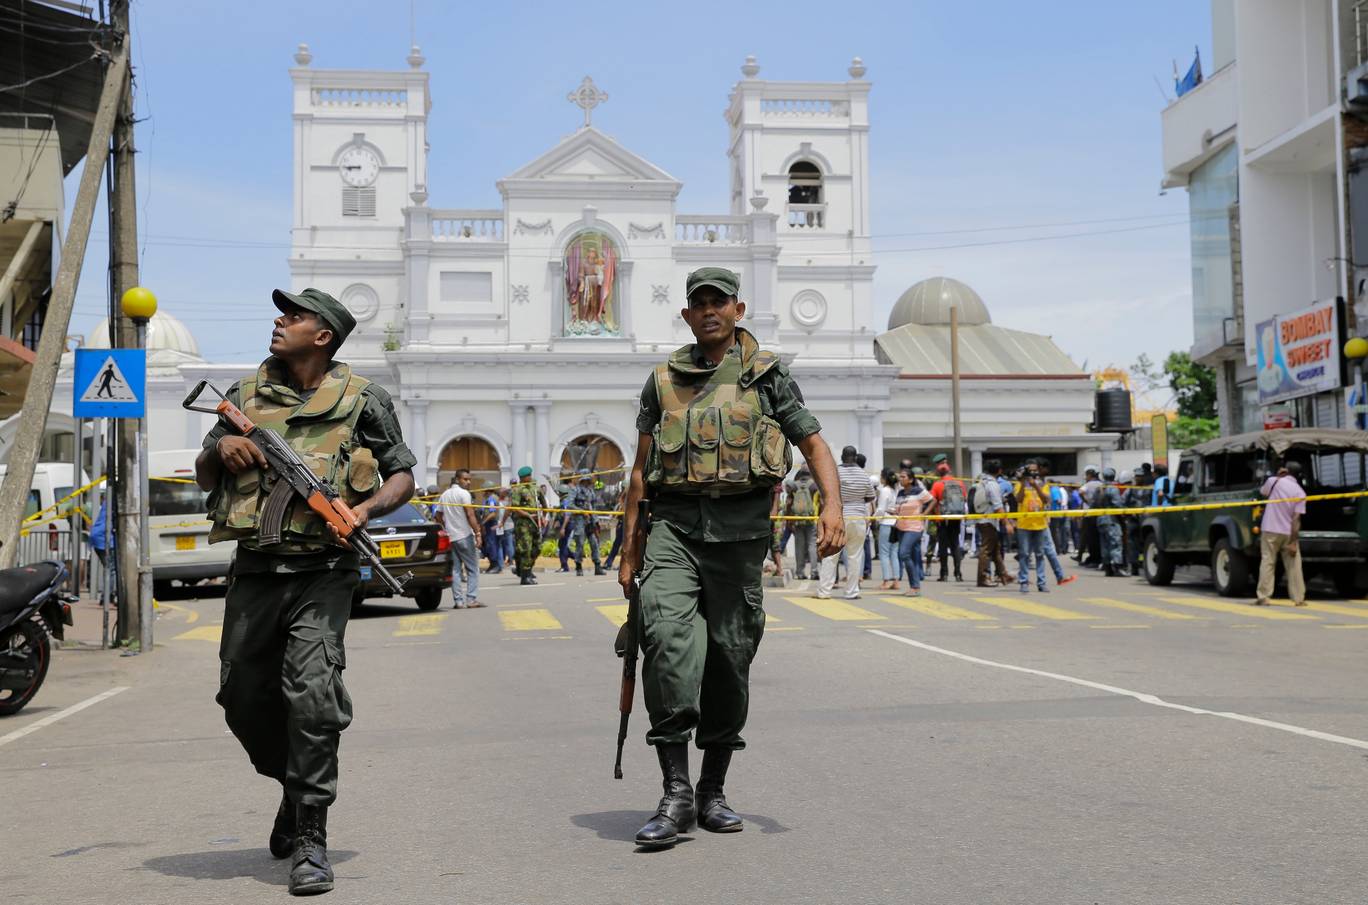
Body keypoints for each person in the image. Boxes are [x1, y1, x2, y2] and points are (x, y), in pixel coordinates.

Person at [195, 287, 416, 895]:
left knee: (311, 694)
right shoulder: (241, 396)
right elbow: (204, 471)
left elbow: (403, 471)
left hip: (324, 570)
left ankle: (311, 835)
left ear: (323, 336)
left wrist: (365, 509)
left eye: (293, 316)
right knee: (241, 696)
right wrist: (223, 447)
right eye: (281, 313)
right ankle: (293, 787)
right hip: (256, 568)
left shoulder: (364, 398)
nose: (279, 321)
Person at [618, 266, 844, 848]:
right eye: (700, 304)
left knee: (729, 659)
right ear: (688, 315)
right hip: (672, 531)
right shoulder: (662, 381)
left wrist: (832, 509)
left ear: (738, 310)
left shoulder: (767, 376)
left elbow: (813, 443)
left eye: (720, 302)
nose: (710, 311)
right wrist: (628, 552)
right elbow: (640, 473)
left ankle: (713, 790)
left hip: (741, 537)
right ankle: (675, 792)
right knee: (666, 644)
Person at [817, 446, 875, 600]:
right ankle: (852, 592)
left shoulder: (835, 473)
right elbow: (870, 497)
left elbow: (826, 494)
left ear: (842, 457)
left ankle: (824, 591)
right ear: (856, 458)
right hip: (858, 519)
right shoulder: (864, 474)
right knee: (855, 556)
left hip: (838, 517)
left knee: (831, 555)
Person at [1256, 461, 1306, 607]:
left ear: (1285, 470)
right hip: (1288, 532)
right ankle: (1298, 598)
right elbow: (1296, 519)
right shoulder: (1300, 492)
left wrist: (1278, 476)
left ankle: (1264, 597)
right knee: (1294, 564)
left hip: (1270, 529)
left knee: (1268, 561)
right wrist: (1293, 542)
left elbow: (1263, 492)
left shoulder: (1273, 481)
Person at [439, 470, 484, 606]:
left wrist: (445, 527)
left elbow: (437, 515)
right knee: (473, 568)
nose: (468, 482)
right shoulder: (464, 494)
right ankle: (471, 599)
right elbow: (470, 514)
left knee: (456, 570)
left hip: (451, 537)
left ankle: (458, 601)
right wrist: (478, 533)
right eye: (465, 479)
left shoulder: (445, 495)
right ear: (457, 479)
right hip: (464, 535)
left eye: (469, 479)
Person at [894, 469, 934, 596]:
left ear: (910, 479)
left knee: (903, 554)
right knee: (910, 556)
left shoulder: (918, 491)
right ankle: (914, 586)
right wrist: (892, 511)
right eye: (900, 477)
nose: (900, 479)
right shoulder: (900, 492)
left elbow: (933, 501)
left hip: (914, 528)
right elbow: (897, 508)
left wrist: (924, 514)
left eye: (903, 477)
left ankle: (915, 586)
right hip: (901, 527)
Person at [928, 454, 968, 582]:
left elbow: (932, 500)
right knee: (955, 545)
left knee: (943, 546)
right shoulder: (960, 483)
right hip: (956, 518)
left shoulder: (937, 484)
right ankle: (958, 573)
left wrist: (928, 514)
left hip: (942, 519)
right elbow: (964, 498)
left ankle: (944, 574)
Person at [972, 460, 1009, 588]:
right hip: (988, 521)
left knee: (996, 549)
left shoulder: (982, 481)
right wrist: (1007, 523)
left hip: (983, 519)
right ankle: (982, 578)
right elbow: (998, 506)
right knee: (987, 550)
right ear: (999, 471)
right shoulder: (993, 484)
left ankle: (1004, 575)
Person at [563, 470, 605, 576]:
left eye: (588, 480)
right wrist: (582, 511)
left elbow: (593, 507)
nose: (587, 482)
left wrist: (596, 522)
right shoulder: (575, 490)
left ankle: (597, 566)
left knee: (594, 543)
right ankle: (578, 567)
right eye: (585, 480)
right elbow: (570, 505)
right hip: (579, 521)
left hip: (590, 522)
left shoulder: (591, 492)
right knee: (580, 544)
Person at [509, 466, 543, 585]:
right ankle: (525, 575)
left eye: (529, 475)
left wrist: (544, 517)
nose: (529, 477)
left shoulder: (536, 489)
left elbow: (544, 505)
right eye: (527, 476)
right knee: (525, 548)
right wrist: (528, 515)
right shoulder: (517, 490)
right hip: (523, 523)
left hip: (535, 522)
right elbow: (515, 508)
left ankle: (522, 568)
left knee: (537, 548)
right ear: (523, 478)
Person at [785, 466, 820, 580]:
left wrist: (789, 520)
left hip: (798, 520)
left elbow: (789, 503)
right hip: (811, 519)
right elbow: (821, 501)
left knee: (799, 546)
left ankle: (800, 572)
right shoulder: (814, 485)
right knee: (812, 545)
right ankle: (814, 571)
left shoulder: (794, 485)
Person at [1095, 467, 1126, 577]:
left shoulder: (1099, 488)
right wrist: (1122, 519)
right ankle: (1117, 567)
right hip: (1112, 520)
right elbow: (1117, 505)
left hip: (1100, 519)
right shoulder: (1112, 488)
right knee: (1115, 543)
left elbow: (1094, 504)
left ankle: (1108, 568)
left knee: (1105, 544)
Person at [875, 468, 901, 590]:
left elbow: (880, 509)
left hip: (886, 523)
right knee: (894, 553)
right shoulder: (895, 490)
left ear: (884, 478)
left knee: (884, 553)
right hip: (896, 522)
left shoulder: (884, 490)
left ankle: (886, 580)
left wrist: (874, 519)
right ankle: (896, 580)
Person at [1078, 466, 1102, 567]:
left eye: (1086, 475)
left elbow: (1080, 492)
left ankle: (1093, 559)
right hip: (1099, 513)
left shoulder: (1087, 485)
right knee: (1097, 537)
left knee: (1090, 538)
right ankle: (1097, 558)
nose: (1085, 477)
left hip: (1088, 514)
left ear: (1090, 475)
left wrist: (1086, 500)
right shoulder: (1101, 484)